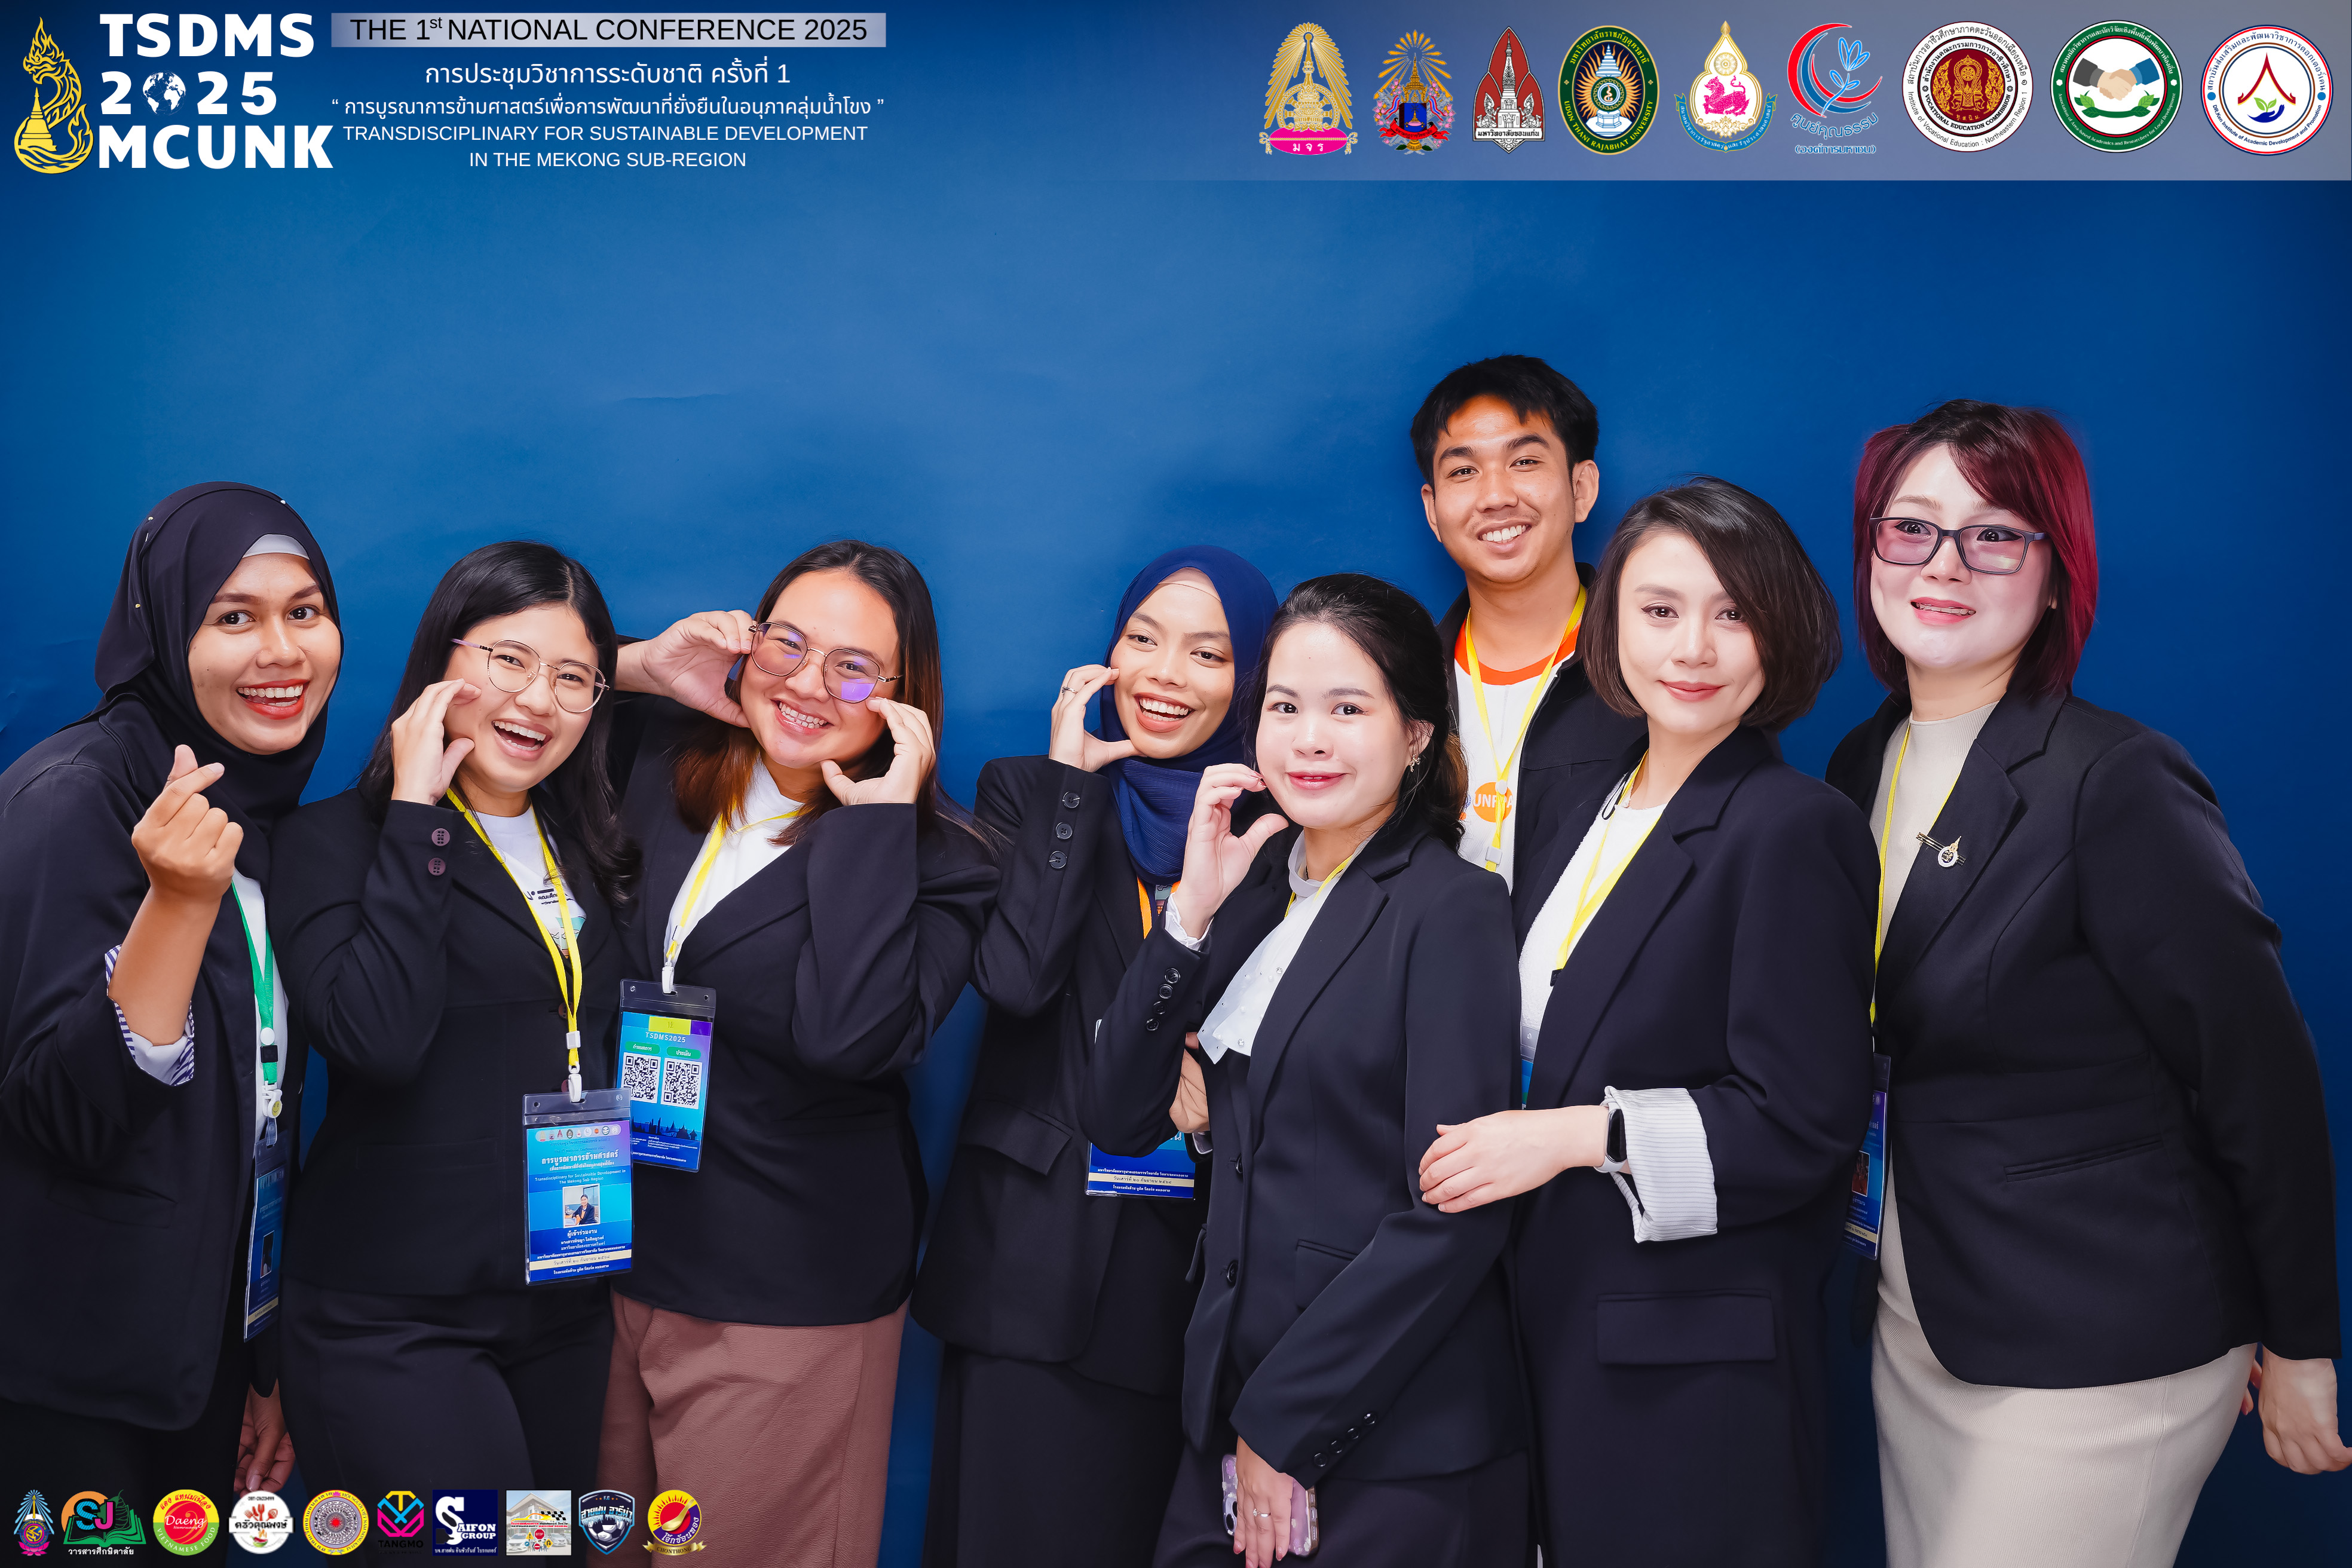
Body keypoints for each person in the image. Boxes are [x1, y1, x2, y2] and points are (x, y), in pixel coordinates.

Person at [1822, 401, 2345, 1566]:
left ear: (2056, 575)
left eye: (1994, 533)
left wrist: (2302, 1340)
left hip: (2101, 1331)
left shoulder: (2114, 779)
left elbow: (2259, 1067)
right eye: (1911, 527)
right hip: (1923, 1314)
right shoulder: (1863, 760)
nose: (1943, 563)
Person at [1419, 477, 1873, 1565]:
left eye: (1733, 612)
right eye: (1660, 610)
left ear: (1781, 629)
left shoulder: (1793, 826)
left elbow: (1804, 1122)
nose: (1694, 648)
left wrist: (1577, 1134)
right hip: (1549, 1332)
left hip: (1689, 1369)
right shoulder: (1586, 804)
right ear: (1610, 625)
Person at [1086, 574, 1529, 1568]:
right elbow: (1115, 1115)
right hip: (1228, 1401)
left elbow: (1452, 1214)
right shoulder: (1252, 892)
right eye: (1285, 707)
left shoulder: (1450, 908)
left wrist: (1283, 1425)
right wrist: (1188, 917)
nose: (1309, 740)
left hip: (1386, 1432)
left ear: (1416, 735)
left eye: (1348, 709)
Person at [600, 541, 997, 1567]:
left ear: (904, 698)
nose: (810, 682)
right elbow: (518, 687)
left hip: (784, 1289)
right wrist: (646, 667)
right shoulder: (658, 758)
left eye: (854, 668)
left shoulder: (945, 863)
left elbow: (849, 1039)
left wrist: (877, 827)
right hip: (615, 1259)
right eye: (788, 642)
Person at [914, 547, 1279, 1567]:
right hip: (1028, 1262)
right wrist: (1071, 793)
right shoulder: (1028, 791)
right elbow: (1018, 980)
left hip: (1182, 1277)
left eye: (1208, 653)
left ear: (1250, 677)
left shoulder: (1272, 838)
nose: (1166, 673)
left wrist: (1218, 1103)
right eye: (1143, 639)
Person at [271, 541, 634, 1523]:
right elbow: (377, 1038)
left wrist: (619, 669)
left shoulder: (587, 838)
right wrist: (416, 810)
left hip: (563, 1304)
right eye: (509, 659)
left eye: (573, 678)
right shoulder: (328, 841)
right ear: (442, 659)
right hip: (393, 1317)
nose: (539, 700)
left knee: (548, 1551)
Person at [0, 483, 337, 1518]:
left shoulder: (261, 804)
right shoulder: (75, 796)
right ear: (164, 627)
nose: (281, 650)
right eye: (233, 616)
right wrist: (178, 906)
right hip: (70, 1376)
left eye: (305, 610)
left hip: (203, 1359)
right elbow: (66, 1112)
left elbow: (255, 1108)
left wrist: (261, 1355)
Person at [1411, 354, 1646, 890]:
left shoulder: (1660, 668)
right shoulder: (1400, 682)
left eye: (1524, 462)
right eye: (1463, 471)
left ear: (1581, 488)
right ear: (1433, 510)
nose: (1496, 497)